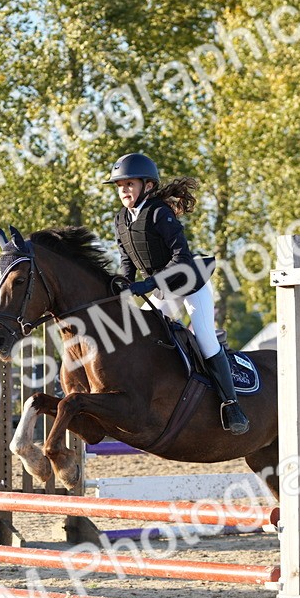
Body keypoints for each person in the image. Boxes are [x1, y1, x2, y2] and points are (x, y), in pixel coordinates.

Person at [102, 153, 250, 435]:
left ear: (147, 185)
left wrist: (148, 284)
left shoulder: (159, 213)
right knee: (143, 337)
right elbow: (127, 261)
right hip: (161, 290)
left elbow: (181, 257)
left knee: (205, 339)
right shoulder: (121, 219)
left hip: (190, 284)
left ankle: (232, 405)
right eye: (119, 186)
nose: (123, 190)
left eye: (128, 184)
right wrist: (122, 285)